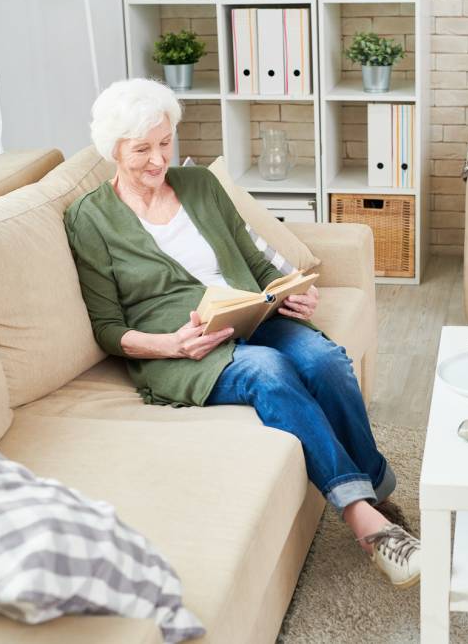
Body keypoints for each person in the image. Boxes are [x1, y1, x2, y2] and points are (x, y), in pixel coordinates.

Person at [64, 78, 420, 588]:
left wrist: (292, 290)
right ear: (112, 149)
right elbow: (107, 327)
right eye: (141, 149)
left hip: (251, 315)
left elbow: (256, 263)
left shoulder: (199, 187)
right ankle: (366, 521)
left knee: (326, 361)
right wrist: (171, 345)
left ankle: (378, 493)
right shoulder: (89, 219)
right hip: (186, 350)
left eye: (165, 143)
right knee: (269, 371)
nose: (158, 160)